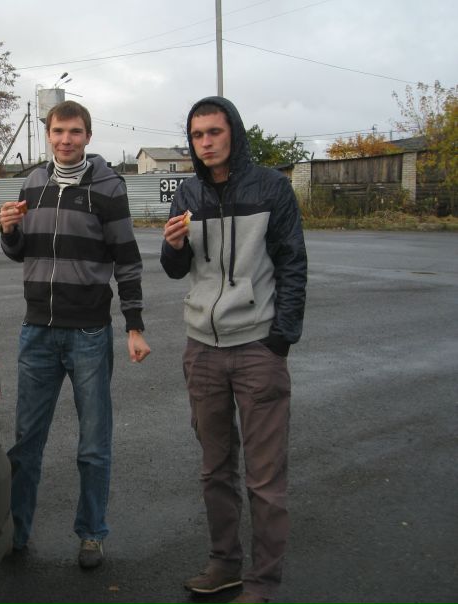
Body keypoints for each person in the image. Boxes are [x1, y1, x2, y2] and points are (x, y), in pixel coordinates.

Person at [160, 96, 307, 604]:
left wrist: (280, 339)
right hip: (202, 349)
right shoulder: (188, 193)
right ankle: (224, 563)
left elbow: (293, 263)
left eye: (214, 132)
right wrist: (173, 245)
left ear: (233, 133)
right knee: (214, 469)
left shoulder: (271, 188)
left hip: (257, 348)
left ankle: (263, 582)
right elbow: (175, 269)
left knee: (264, 478)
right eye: (197, 135)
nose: (205, 143)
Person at [0, 100, 150, 570]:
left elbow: (127, 259)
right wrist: (9, 231)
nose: (66, 140)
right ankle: (16, 533)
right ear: (48, 134)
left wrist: (134, 325)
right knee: (26, 443)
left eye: (75, 132)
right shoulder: (32, 183)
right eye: (58, 131)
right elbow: (21, 251)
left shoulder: (108, 187)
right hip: (37, 333)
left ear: (88, 136)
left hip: (88, 332)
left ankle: (91, 533)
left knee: (93, 444)